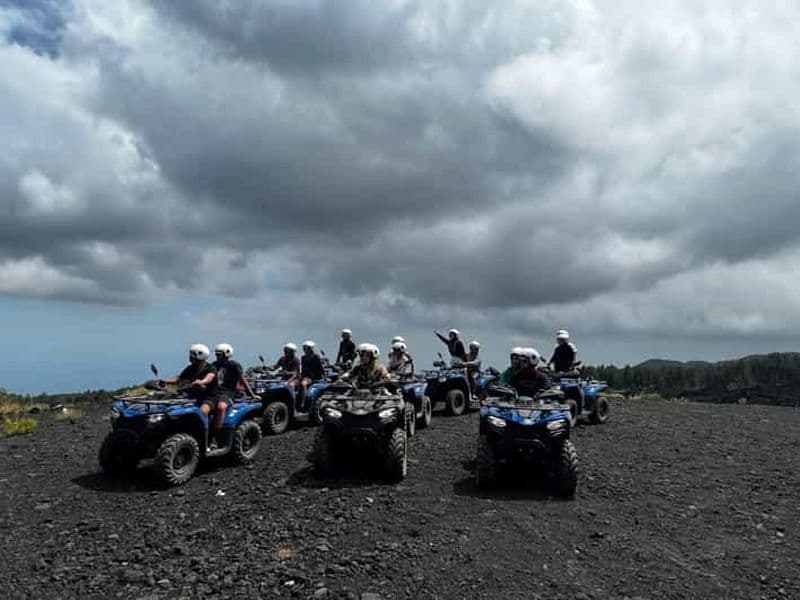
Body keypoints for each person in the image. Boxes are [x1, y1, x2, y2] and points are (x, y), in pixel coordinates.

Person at [160, 344, 218, 441]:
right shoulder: (191, 368)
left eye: (192, 355)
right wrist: (165, 381)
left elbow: (209, 378)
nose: (190, 357)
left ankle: (209, 439)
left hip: (209, 397)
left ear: (199, 356)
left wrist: (201, 381)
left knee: (202, 412)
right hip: (192, 396)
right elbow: (179, 379)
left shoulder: (210, 368)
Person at [212, 343, 256, 439]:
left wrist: (251, 394)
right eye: (216, 354)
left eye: (219, 354)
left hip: (228, 393)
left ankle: (215, 436)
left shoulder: (233, 365)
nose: (217, 356)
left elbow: (242, 380)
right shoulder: (214, 365)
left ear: (226, 354)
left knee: (221, 407)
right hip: (214, 392)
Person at [299, 340, 325, 411]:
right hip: (305, 376)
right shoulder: (303, 358)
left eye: (306, 348)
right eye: (303, 348)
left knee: (303, 384)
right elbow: (303, 368)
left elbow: (320, 368)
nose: (304, 350)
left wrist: (324, 377)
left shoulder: (316, 357)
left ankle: (303, 402)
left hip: (313, 377)